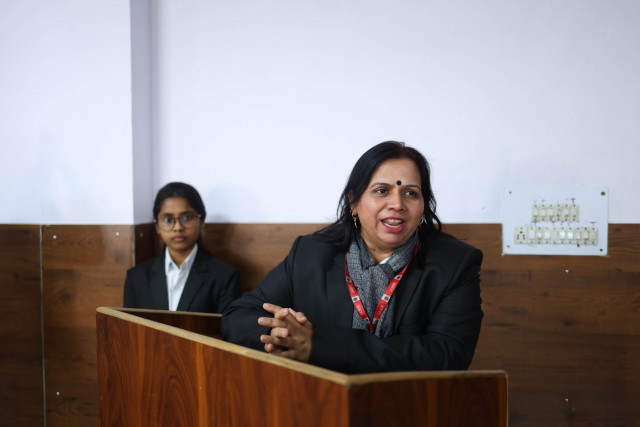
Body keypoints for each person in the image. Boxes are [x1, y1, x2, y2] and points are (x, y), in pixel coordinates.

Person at [221, 141, 483, 374]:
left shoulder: (454, 264)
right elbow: (238, 315)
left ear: (423, 205)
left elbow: (448, 354)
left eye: (410, 193)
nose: (397, 204)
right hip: (318, 401)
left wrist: (318, 344)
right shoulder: (310, 254)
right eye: (382, 190)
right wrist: (283, 336)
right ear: (354, 202)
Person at [124, 182, 240, 313]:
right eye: (168, 220)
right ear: (157, 226)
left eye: (187, 217)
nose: (178, 227)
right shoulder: (137, 277)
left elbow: (227, 325)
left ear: (201, 222)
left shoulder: (224, 277)